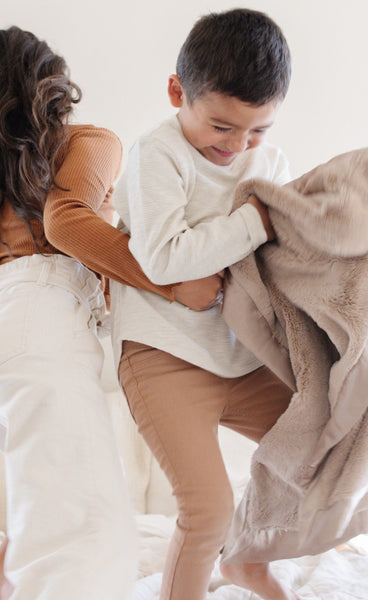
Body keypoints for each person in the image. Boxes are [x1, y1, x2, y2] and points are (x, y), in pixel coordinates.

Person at [0, 26, 218, 600]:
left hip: (12, 320)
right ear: (48, 87)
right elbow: (67, 224)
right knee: (83, 528)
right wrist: (173, 285)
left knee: (39, 504)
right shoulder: (88, 142)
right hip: (39, 314)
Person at [111, 8, 300, 600]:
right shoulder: (156, 156)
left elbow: (283, 258)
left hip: (242, 356)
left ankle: (247, 560)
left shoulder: (267, 166)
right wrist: (254, 220)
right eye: (222, 127)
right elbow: (166, 258)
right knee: (207, 509)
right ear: (177, 93)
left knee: (322, 442)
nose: (239, 146)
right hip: (163, 354)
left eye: (258, 130)